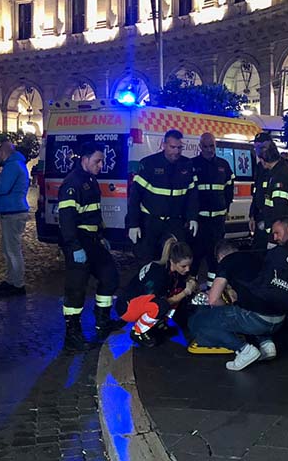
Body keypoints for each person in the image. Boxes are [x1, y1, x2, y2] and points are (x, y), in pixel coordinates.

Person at [190, 238, 288, 371]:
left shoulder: (227, 261)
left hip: (256, 320)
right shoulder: (254, 257)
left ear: (220, 256)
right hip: (279, 319)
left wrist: (224, 311)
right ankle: (267, 345)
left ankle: (244, 350)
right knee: (251, 305)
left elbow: (213, 299)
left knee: (199, 321)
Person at [58, 142, 122, 351]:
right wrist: (74, 246)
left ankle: (102, 321)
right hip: (79, 240)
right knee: (76, 289)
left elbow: (94, 212)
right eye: (97, 161)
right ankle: (72, 334)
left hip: (93, 239)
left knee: (110, 277)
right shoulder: (72, 183)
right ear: (84, 160)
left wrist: (101, 234)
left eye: (102, 161)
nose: (101, 165)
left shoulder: (90, 180)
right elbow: (67, 220)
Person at [127, 129, 199, 262]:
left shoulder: (187, 165)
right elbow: (135, 197)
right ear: (164, 145)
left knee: (177, 259)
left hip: (175, 222)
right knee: (147, 260)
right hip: (151, 222)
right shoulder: (149, 164)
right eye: (172, 147)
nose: (176, 151)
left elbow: (192, 196)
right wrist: (133, 224)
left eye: (179, 148)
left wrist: (192, 217)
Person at [121, 237, 197, 347]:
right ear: (172, 261)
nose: (187, 269)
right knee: (162, 305)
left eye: (189, 265)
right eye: (183, 266)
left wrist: (190, 282)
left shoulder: (169, 269)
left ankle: (158, 324)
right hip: (127, 307)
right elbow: (157, 300)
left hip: (139, 302)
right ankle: (138, 332)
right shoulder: (158, 274)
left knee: (175, 293)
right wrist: (186, 292)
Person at [0, 141, 30, 296]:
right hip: (12, 211)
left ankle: (17, 284)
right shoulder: (17, 164)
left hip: (13, 212)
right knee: (9, 248)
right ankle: (11, 280)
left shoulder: (12, 166)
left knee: (12, 250)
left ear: (3, 153)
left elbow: (3, 188)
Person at [191, 132, 234, 286]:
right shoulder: (192, 165)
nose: (209, 149)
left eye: (212, 146)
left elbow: (229, 190)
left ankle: (212, 289)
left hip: (217, 221)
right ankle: (190, 289)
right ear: (200, 146)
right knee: (194, 256)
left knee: (214, 257)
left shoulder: (223, 165)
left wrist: (226, 208)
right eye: (206, 146)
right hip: (199, 221)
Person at [260, 142, 288, 244]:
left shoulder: (280, 176)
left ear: (263, 160)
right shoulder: (280, 171)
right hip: (281, 232)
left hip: (279, 235)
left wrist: (277, 235)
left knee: (277, 254)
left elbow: (280, 210)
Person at [249, 132, 272, 250]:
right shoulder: (259, 167)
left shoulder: (277, 168)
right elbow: (256, 193)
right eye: (256, 147)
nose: (258, 151)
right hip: (259, 216)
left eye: (261, 147)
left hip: (271, 218)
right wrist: (252, 216)